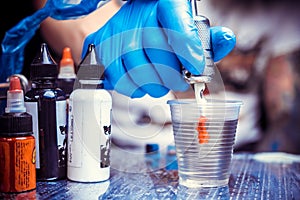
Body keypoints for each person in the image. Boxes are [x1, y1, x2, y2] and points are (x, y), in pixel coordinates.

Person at [29, 0, 236, 150]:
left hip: (243, 155)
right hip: (118, 153)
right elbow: (67, 14)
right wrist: (120, 40)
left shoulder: (266, 12)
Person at [198, 0, 300, 154]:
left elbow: (283, 113)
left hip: (240, 151)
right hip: (158, 144)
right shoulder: (169, 7)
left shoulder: (283, 9)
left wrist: (269, 165)